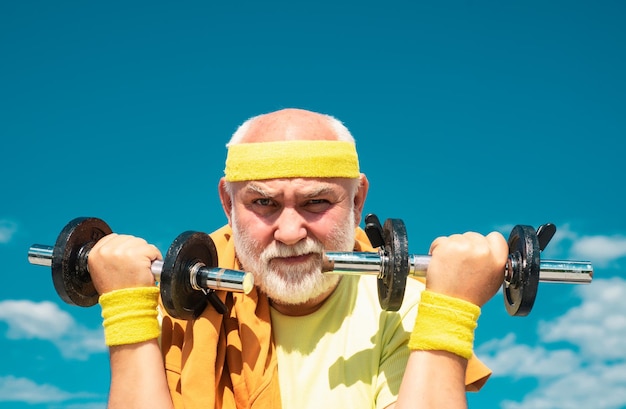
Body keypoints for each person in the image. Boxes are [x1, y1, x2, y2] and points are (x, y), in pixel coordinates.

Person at [87, 108, 508, 409]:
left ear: (357, 200)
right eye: (264, 203)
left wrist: (451, 314)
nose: (290, 233)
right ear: (228, 204)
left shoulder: (407, 311)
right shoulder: (173, 304)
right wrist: (126, 315)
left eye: (317, 201)